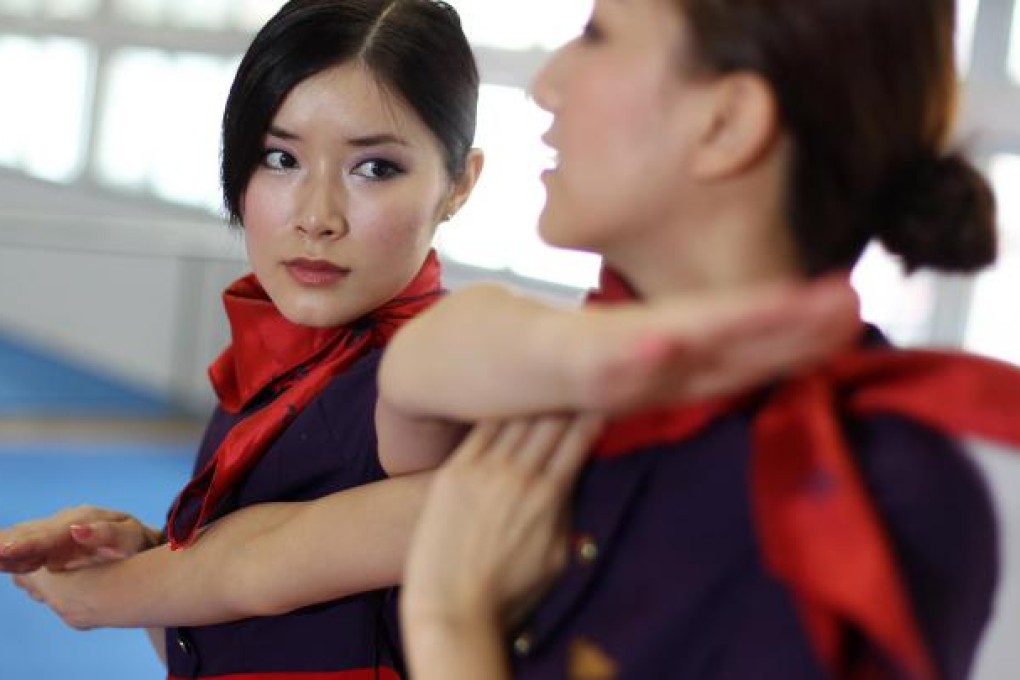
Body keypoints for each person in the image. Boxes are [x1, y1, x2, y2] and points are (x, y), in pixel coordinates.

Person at [391, 1, 1020, 679]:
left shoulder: (865, 491)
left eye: (598, 37)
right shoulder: (581, 369)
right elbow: (413, 386)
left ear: (726, 123)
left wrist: (451, 628)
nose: (547, 84)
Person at [6, 0, 485, 677]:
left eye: (374, 168)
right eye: (280, 157)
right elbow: (219, 645)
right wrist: (146, 560)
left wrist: (115, 592)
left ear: (460, 183)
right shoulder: (272, 363)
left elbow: (259, 567)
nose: (316, 216)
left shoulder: (438, 377)